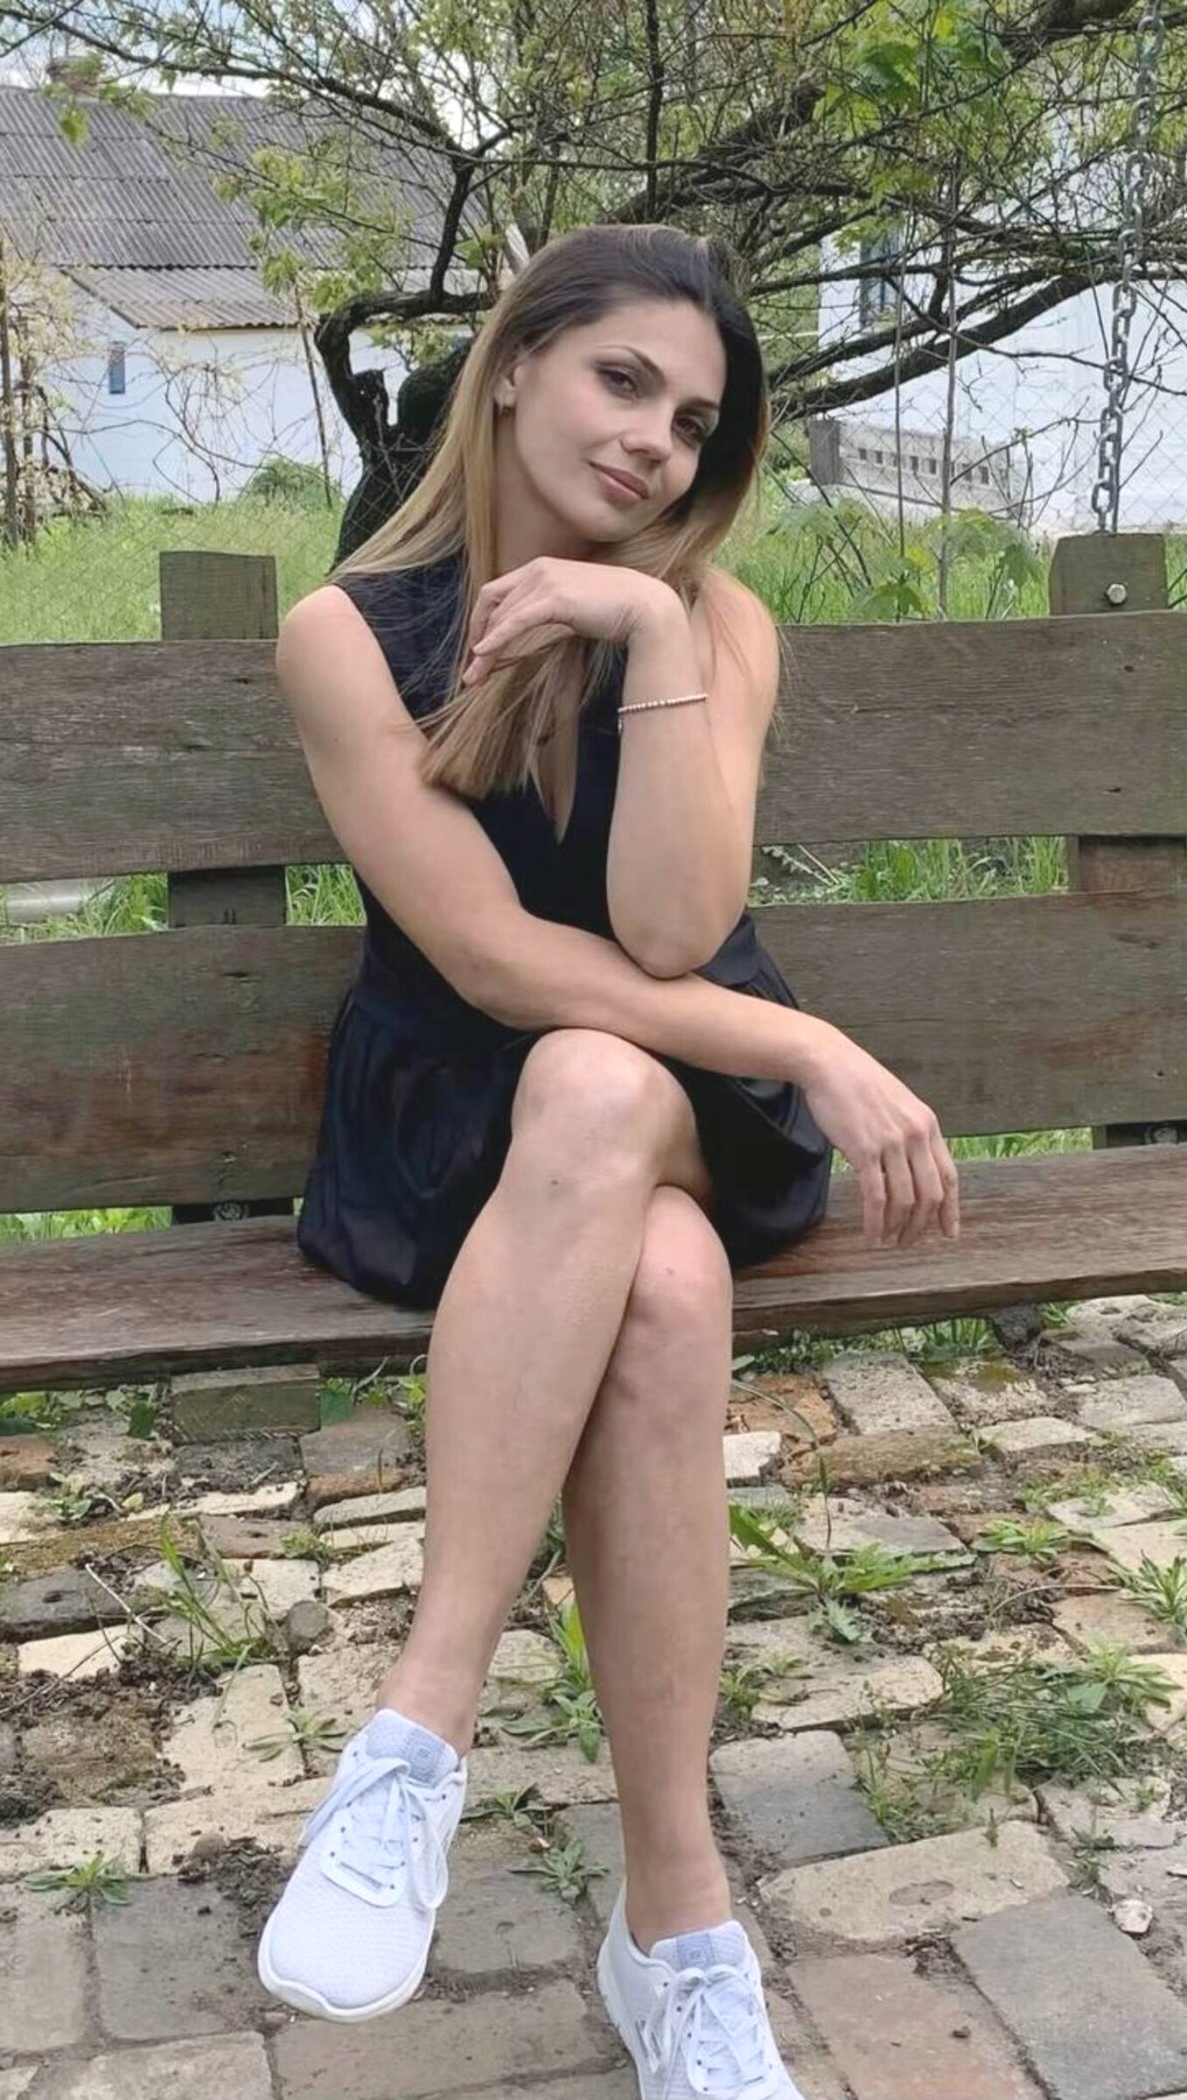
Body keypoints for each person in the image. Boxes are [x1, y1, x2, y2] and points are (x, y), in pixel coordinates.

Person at [257, 222, 961, 2097]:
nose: (653, 440)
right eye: (620, 381)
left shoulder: (719, 623)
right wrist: (809, 1044)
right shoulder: (348, 637)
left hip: (682, 1102)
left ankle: (414, 1740)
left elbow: (666, 931)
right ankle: (678, 1930)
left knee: (597, 1083)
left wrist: (650, 628)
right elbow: (493, 960)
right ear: (512, 368)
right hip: (456, 1131)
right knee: (650, 1269)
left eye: (693, 420)